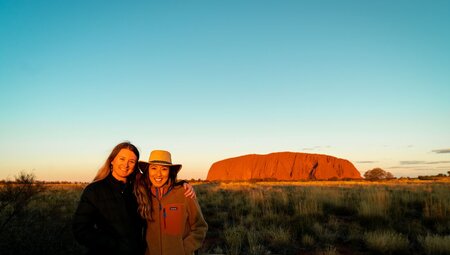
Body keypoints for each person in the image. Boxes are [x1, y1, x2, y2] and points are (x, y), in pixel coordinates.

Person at [72, 142, 195, 255]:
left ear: (135, 165)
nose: (126, 165)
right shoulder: (94, 190)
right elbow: (80, 229)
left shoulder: (140, 188)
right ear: (112, 160)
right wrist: (113, 245)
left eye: (131, 161)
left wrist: (183, 184)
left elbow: (162, 182)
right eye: (122, 159)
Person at [134, 150, 208, 255]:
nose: (158, 174)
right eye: (153, 168)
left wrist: (185, 249)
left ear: (170, 172)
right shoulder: (142, 194)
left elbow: (200, 227)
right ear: (148, 170)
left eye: (164, 169)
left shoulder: (184, 193)